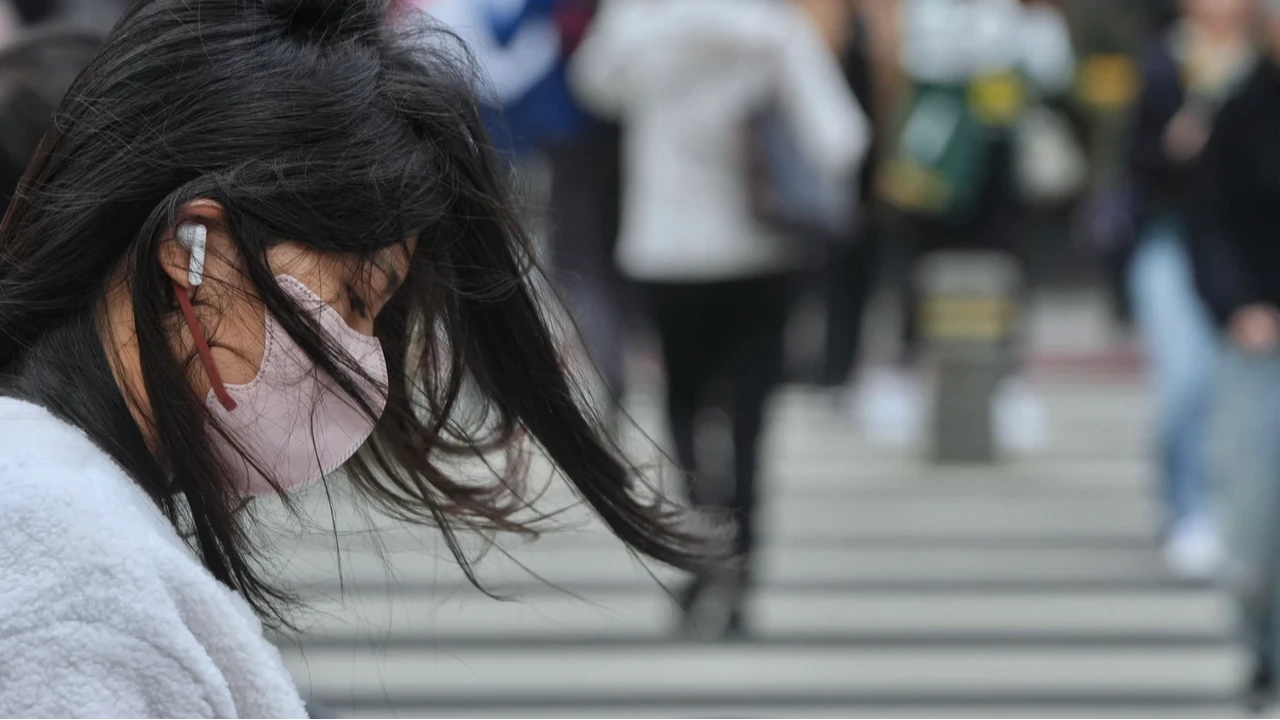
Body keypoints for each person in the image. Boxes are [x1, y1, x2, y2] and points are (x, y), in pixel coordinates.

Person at [0, 0, 712, 717]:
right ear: (194, 258)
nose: (366, 360)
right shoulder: (75, 578)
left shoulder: (63, 522)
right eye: (354, 299)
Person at [571, 0, 868, 637]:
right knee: (750, 419)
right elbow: (842, 138)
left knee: (684, 405)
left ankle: (703, 544)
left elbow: (594, 88)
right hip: (761, 251)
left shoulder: (641, 22)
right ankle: (743, 563)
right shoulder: (773, 30)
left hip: (669, 248)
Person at [871, 0, 1076, 449]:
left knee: (1008, 271)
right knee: (920, 268)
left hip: (996, 164)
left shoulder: (1019, 16)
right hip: (936, 158)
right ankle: (907, 373)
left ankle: (1010, 381)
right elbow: (912, 61)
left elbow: (1052, 67)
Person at [1125, 0, 1255, 581]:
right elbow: (1131, 162)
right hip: (1173, 241)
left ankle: (1238, 514)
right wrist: (1173, 146)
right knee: (1186, 379)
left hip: (1244, 255)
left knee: (1241, 399)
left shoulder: (1259, 70)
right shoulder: (1163, 64)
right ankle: (1188, 509)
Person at [1191, 0, 1280, 708]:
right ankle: (1257, 636)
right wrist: (1238, 307)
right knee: (1257, 514)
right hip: (1260, 337)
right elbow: (1208, 220)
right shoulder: (1240, 104)